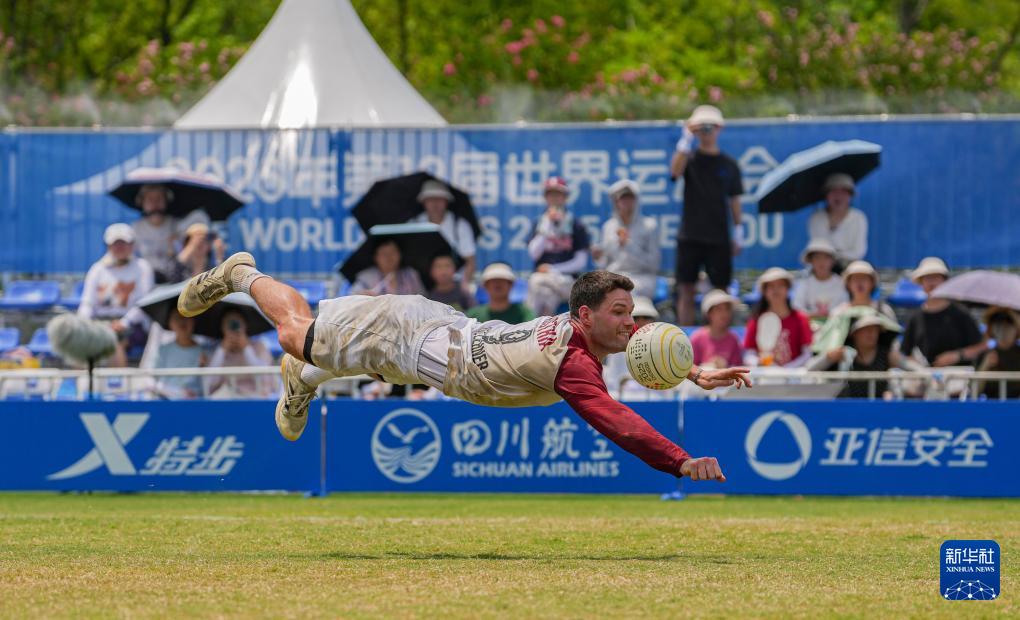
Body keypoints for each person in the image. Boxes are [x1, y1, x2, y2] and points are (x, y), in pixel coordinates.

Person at [179, 255, 752, 482]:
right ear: (586, 314)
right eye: (621, 312)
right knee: (295, 333)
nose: (631, 323)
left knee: (344, 360)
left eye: (632, 313)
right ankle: (240, 274)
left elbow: (638, 345)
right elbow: (615, 420)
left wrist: (692, 372)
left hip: (437, 332)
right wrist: (679, 460)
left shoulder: (585, 333)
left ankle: (302, 380)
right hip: (411, 337)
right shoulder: (572, 362)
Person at [669, 105, 743, 326]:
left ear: (720, 128)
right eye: (701, 127)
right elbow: (674, 172)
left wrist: (738, 232)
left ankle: (720, 337)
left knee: (721, 291)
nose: (706, 131)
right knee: (686, 289)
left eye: (710, 127)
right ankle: (685, 337)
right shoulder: (689, 159)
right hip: (690, 235)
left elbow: (735, 200)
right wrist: (685, 139)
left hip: (719, 236)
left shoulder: (729, 165)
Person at [79, 223, 155, 367]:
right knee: (79, 341)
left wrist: (124, 323)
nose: (119, 247)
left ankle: (117, 381)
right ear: (108, 246)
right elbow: (87, 303)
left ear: (132, 245)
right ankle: (83, 379)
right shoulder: (97, 269)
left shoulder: (143, 267)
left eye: (124, 243)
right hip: (100, 322)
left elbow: (144, 303)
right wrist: (84, 323)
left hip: (132, 325)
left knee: (115, 341)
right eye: (115, 243)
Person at [806, 313, 917, 399]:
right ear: (854, 333)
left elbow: (917, 370)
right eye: (865, 329)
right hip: (846, 411)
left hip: (877, 411)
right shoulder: (842, 353)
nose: (871, 333)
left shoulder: (887, 355)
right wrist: (828, 358)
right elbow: (809, 368)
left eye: (875, 329)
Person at [900, 257, 984, 367]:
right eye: (927, 278)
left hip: (959, 374)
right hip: (926, 376)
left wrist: (957, 356)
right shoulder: (915, 317)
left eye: (936, 277)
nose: (931, 283)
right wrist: (918, 368)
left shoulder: (961, 313)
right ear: (921, 283)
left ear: (944, 281)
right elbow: (906, 352)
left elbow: (980, 346)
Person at [526, 177, 591, 317]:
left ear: (565, 197)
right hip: (547, 283)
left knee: (536, 281)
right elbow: (534, 253)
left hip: (568, 281)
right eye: (550, 194)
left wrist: (552, 269)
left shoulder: (576, 224)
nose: (554, 198)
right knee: (546, 296)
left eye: (558, 194)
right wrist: (547, 226)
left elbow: (581, 262)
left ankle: (528, 326)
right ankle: (545, 328)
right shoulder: (539, 223)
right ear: (545, 197)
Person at [592, 179, 660, 299]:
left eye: (630, 198)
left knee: (626, 293)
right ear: (616, 201)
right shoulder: (609, 226)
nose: (626, 202)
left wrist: (628, 245)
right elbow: (604, 264)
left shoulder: (649, 226)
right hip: (613, 276)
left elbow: (653, 264)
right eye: (622, 198)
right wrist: (598, 257)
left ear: (636, 200)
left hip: (642, 278)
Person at [130, 183, 209, 283]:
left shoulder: (177, 225)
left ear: (166, 201)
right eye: (150, 199)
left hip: (174, 281)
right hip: (146, 282)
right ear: (142, 202)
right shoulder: (134, 229)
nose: (155, 203)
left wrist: (177, 248)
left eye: (159, 198)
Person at [412, 180, 476, 288]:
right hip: (421, 284)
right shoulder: (415, 224)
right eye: (430, 199)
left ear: (446, 201)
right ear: (424, 202)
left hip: (455, 284)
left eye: (439, 199)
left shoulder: (459, 225)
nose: (435, 204)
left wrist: (464, 286)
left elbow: (470, 261)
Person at [742, 268, 813, 367]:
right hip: (765, 374)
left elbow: (807, 354)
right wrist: (760, 362)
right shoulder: (756, 320)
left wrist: (788, 369)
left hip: (795, 374)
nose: (776, 290)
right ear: (764, 291)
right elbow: (749, 354)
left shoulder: (800, 318)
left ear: (787, 289)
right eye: (771, 286)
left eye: (780, 285)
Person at [204, 309, 275, 399]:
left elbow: (264, 379)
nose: (233, 327)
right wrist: (222, 350)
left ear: (245, 325)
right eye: (228, 323)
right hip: (227, 400)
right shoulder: (216, 350)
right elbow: (209, 384)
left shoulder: (259, 347)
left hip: (255, 399)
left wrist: (246, 348)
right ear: (222, 327)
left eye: (237, 323)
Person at [602, 296, 659, 399]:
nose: (641, 322)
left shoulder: (662, 347)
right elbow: (613, 385)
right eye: (636, 318)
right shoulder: (618, 348)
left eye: (646, 317)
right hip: (623, 399)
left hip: (657, 399)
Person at [807, 173, 868, 269]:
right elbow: (818, 248)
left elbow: (859, 251)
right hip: (823, 269)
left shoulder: (859, 218)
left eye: (843, 192)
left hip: (850, 268)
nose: (838, 196)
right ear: (826, 195)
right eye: (833, 191)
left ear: (850, 195)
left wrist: (834, 256)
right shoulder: (816, 218)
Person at [152, 309, 206, 399]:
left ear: (193, 321)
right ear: (170, 323)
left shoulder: (204, 352)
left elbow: (208, 384)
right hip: (165, 400)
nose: (182, 321)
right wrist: (173, 392)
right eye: (177, 317)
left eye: (186, 316)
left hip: (193, 402)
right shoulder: (163, 350)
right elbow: (152, 379)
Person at [792, 238, 848, 320]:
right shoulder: (804, 283)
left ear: (832, 261)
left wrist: (832, 316)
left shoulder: (841, 283)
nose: (821, 262)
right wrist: (813, 316)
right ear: (811, 261)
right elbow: (797, 307)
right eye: (817, 258)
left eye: (826, 258)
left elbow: (845, 306)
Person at [350, 238, 425, 296]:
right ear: (376, 257)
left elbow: (423, 299)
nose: (389, 257)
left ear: (400, 255)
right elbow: (352, 297)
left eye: (393, 252)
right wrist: (362, 296)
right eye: (383, 253)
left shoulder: (411, 275)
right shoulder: (366, 277)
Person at [691, 289, 743, 369]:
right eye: (719, 309)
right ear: (709, 313)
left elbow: (738, 367)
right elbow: (690, 369)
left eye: (727, 309)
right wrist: (707, 367)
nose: (724, 313)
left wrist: (725, 367)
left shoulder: (734, 339)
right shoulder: (697, 338)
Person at [466, 263, 535, 324]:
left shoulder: (524, 313)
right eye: (493, 280)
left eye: (502, 280)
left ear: (511, 285)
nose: (498, 283)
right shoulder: (472, 316)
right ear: (485, 286)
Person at [976, 307, 1020, 399]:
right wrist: (985, 366)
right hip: (992, 404)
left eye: (1008, 324)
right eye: (998, 324)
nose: (1003, 329)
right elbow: (975, 390)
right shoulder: (986, 354)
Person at [829, 260, 895, 320]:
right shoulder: (838, 313)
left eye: (864, 278)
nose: (859, 282)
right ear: (848, 284)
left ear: (872, 283)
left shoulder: (884, 311)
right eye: (855, 279)